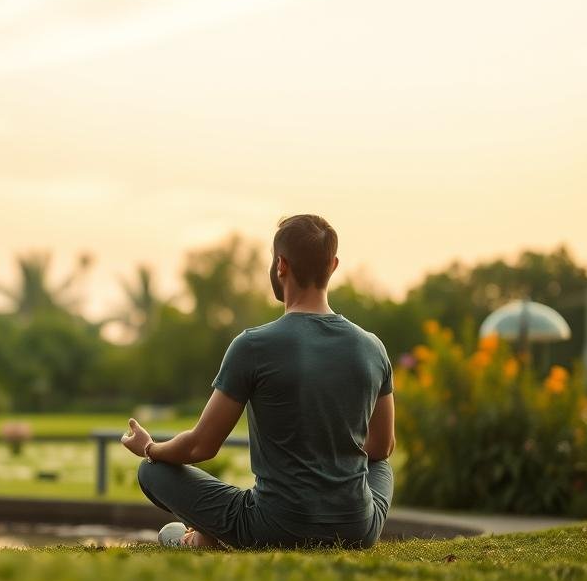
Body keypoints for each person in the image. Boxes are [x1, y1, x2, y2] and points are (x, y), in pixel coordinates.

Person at [123, 214, 395, 549]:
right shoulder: (372, 347)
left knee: (152, 472)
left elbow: (201, 446)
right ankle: (210, 535)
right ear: (333, 265)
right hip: (356, 528)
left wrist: (149, 448)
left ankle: (200, 539)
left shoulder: (253, 345)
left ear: (280, 265)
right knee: (381, 466)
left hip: (275, 527)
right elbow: (381, 448)